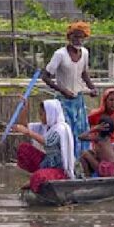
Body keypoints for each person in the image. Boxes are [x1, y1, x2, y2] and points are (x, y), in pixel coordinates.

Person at [43, 22, 97, 157]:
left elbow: (84, 73)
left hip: (78, 100)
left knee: (81, 131)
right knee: (66, 132)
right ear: (69, 37)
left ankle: (81, 160)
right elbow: (46, 77)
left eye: (82, 37)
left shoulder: (84, 53)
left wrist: (92, 88)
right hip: (63, 101)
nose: (78, 40)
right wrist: (63, 90)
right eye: (76, 37)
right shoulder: (60, 54)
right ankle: (66, 161)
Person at [13, 99, 76, 192]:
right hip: (47, 163)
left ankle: (38, 178)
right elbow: (24, 125)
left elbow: (48, 142)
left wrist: (28, 132)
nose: (40, 117)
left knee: (38, 176)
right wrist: (24, 108)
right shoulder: (46, 126)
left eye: (42, 114)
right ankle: (41, 174)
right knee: (24, 149)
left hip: (60, 170)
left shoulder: (61, 128)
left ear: (50, 114)